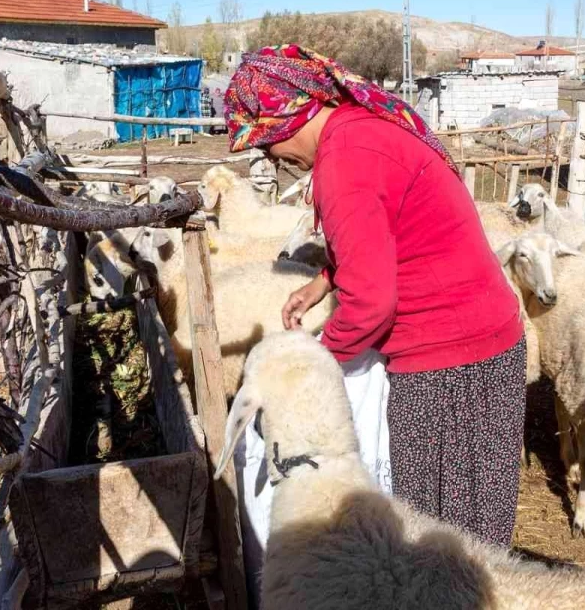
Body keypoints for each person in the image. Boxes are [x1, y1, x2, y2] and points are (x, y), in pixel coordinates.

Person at [223, 44, 527, 548]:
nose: (272, 158)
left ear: (286, 120)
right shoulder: (363, 127)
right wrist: (324, 281)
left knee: (439, 541)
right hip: (487, 342)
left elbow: (370, 304)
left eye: (265, 145)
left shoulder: (344, 161)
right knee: (479, 534)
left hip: (444, 368)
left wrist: (312, 368)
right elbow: (391, 231)